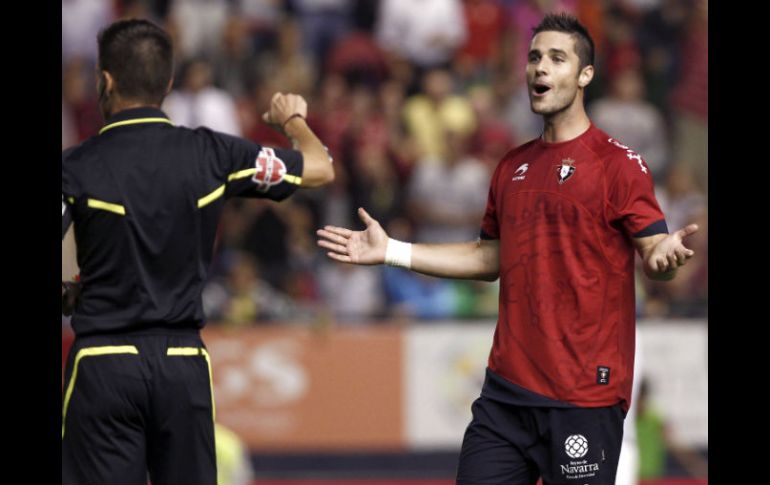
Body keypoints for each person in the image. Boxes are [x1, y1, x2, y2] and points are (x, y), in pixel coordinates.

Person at [317, 13, 697, 485]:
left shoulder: (619, 164)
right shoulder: (511, 167)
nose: (540, 67)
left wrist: (662, 258)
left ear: (585, 76)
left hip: (583, 397)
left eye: (557, 58)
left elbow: (654, 252)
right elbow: (489, 257)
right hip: (506, 396)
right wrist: (392, 250)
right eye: (535, 56)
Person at [61, 18, 334, 485]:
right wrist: (291, 118)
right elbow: (319, 168)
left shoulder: (77, 167)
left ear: (104, 81)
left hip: (103, 363)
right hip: (182, 362)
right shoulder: (211, 154)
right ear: (167, 82)